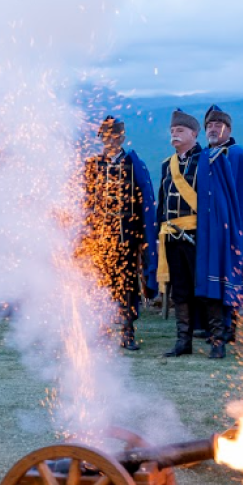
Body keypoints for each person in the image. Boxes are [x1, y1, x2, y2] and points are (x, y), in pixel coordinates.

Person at [156, 109, 243, 359]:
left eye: (180, 131)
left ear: (194, 134)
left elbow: (221, 203)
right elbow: (163, 203)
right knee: (180, 291)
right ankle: (183, 341)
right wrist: (157, 230)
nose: (175, 135)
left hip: (200, 237)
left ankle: (217, 341)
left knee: (207, 288)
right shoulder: (167, 165)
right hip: (172, 236)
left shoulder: (211, 160)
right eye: (172, 131)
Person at [81, 116, 157, 350]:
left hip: (127, 238)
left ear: (122, 138)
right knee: (101, 285)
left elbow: (144, 201)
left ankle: (127, 332)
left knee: (126, 285)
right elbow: (86, 201)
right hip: (100, 238)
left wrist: (143, 239)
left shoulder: (133, 164)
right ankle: (102, 330)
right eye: (106, 137)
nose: (110, 141)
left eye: (114, 136)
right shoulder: (93, 165)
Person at [203, 104, 243, 343]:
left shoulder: (236, 155)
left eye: (218, 125)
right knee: (215, 276)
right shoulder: (205, 155)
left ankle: (229, 328)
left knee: (231, 275)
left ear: (228, 129)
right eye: (209, 125)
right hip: (212, 229)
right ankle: (216, 327)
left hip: (234, 228)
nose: (213, 129)